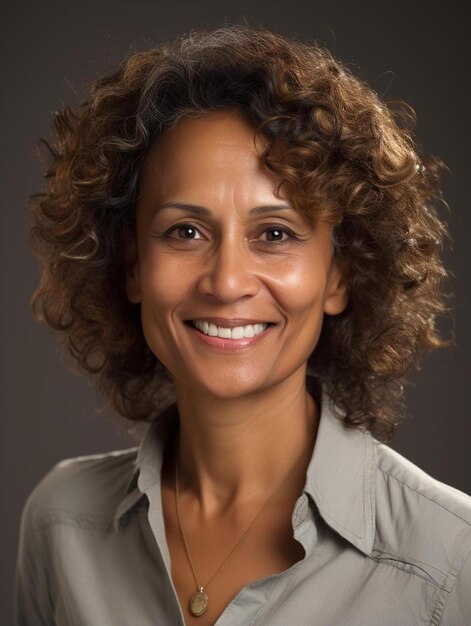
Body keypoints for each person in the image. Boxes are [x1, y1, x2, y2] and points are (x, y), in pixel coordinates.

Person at [14, 25, 471, 626]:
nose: (227, 282)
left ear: (340, 276)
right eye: (186, 232)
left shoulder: (450, 561)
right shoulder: (60, 523)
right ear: (131, 267)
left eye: (275, 234)